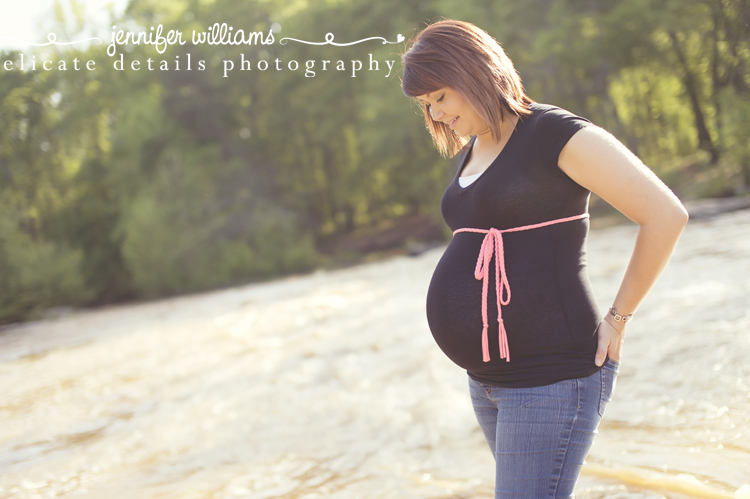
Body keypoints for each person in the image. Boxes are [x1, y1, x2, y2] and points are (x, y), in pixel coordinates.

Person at [400, 20, 689, 498]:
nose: (435, 114)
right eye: (426, 105)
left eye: (440, 97)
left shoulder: (555, 133)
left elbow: (665, 215)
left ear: (472, 71)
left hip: (551, 377)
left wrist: (618, 318)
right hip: (489, 380)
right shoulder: (472, 149)